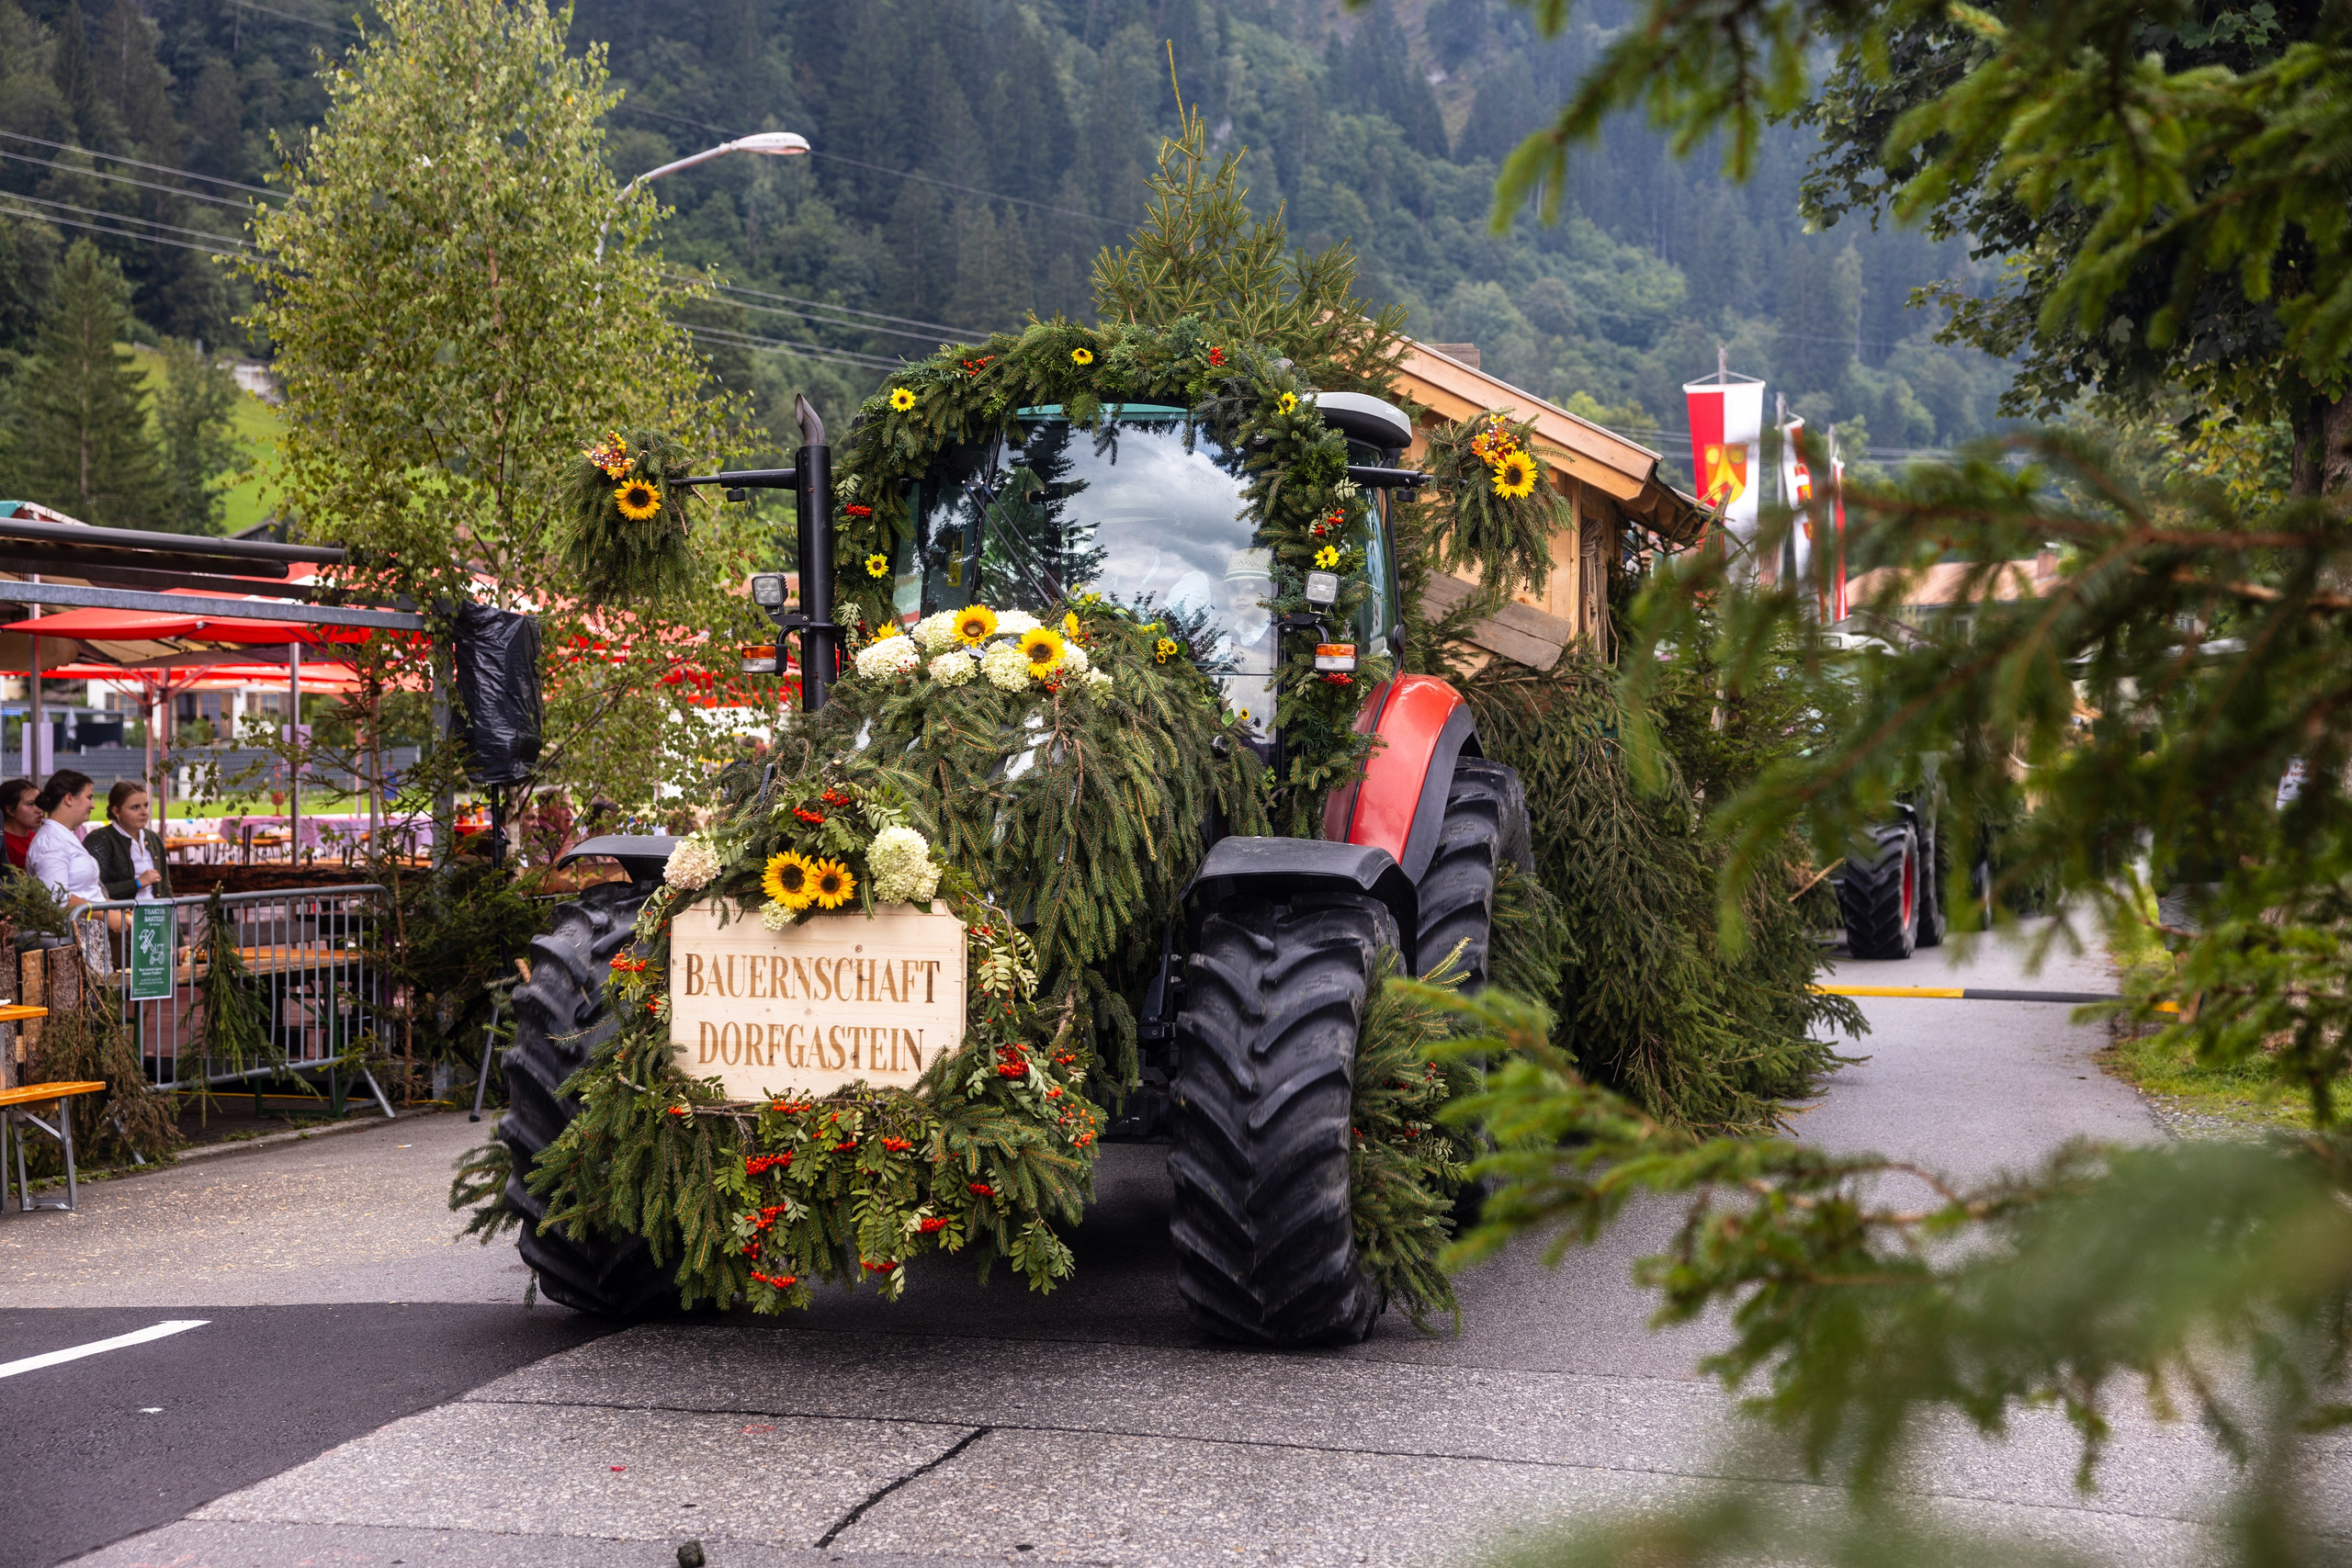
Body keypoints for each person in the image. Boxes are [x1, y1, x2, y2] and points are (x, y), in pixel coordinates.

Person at [26, 769, 104, 909]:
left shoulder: (63, 836)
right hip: (66, 930)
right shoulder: (50, 842)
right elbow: (56, 898)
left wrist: (116, 908)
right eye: (89, 797)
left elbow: (89, 894)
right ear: (69, 799)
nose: (93, 805)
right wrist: (109, 916)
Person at [90, 781, 171, 902]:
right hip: (121, 917)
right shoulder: (100, 840)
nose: (143, 812)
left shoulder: (153, 838)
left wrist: (172, 919)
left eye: (146, 805)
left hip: (156, 916)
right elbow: (93, 890)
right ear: (116, 811)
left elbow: (165, 887)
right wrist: (137, 883)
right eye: (135, 807)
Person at [1, 777, 39, 871]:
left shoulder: (36, 838)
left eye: (40, 804)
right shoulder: (3, 843)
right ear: (10, 810)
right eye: (30, 804)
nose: (39, 810)